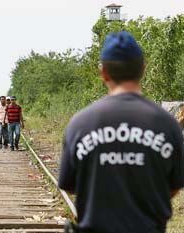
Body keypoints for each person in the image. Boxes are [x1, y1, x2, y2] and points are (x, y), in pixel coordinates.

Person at [58, 31, 184, 233]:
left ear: (104, 73)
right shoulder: (168, 124)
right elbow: (175, 185)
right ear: (143, 69)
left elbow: (69, 184)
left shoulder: (80, 123)